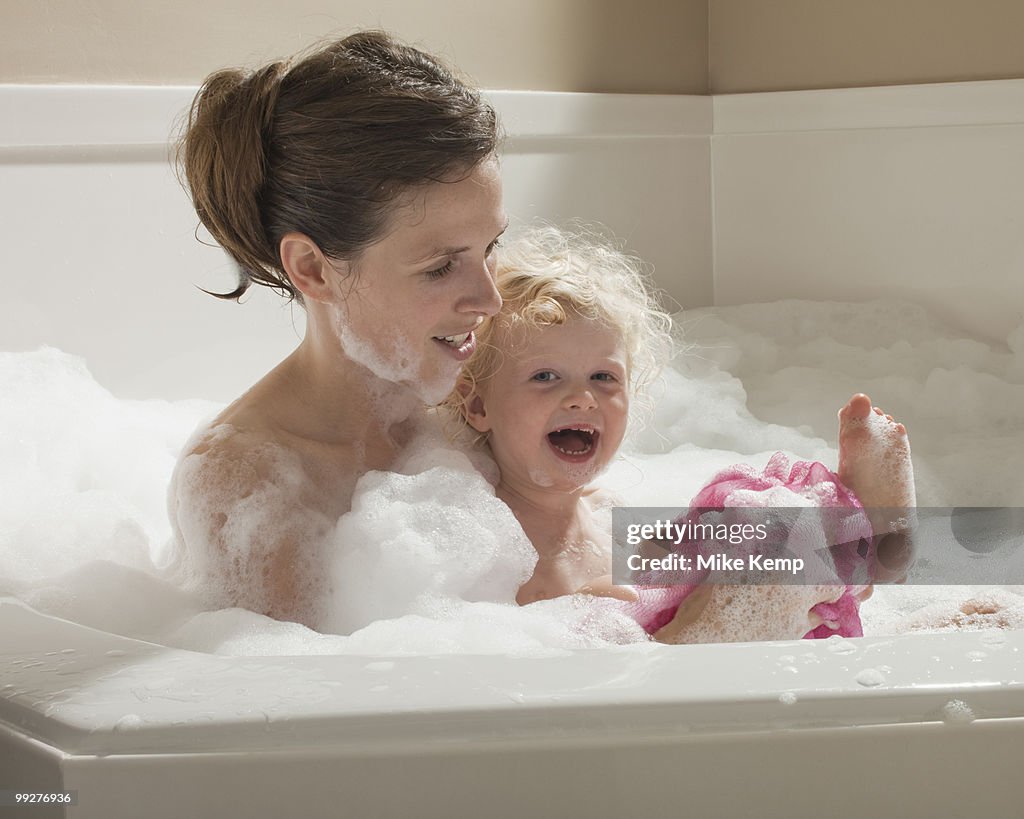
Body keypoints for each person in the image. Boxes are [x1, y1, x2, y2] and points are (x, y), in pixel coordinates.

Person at [168, 31, 508, 628]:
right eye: (439, 267)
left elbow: (599, 551)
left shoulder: (493, 384)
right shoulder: (250, 487)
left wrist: (720, 540)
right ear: (312, 268)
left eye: (492, 247)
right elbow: (295, 703)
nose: (492, 299)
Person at [447, 225, 917, 643]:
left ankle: (857, 540)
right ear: (478, 404)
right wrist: (696, 628)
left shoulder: (606, 512)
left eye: (603, 378)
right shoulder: (488, 544)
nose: (582, 398)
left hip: (671, 642)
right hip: (648, 670)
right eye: (546, 377)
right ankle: (853, 550)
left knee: (751, 523)